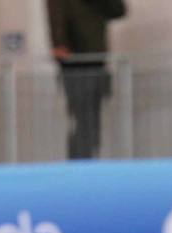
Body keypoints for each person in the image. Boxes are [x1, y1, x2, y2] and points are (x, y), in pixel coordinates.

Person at [46, 0, 126, 160]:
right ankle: (79, 165)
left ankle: (90, 162)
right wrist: (59, 43)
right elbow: (56, 17)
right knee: (81, 122)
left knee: (93, 123)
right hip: (74, 66)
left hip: (97, 63)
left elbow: (118, 10)